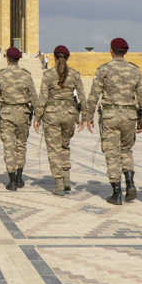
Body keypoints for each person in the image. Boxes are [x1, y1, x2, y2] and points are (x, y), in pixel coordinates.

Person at [85, 38, 142, 205]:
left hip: (110, 116)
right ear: (125, 52)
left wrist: (88, 116)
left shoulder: (104, 70)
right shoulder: (135, 70)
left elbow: (93, 95)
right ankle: (130, 183)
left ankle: (116, 193)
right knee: (126, 150)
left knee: (112, 154)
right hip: (129, 116)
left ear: (111, 50)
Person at [34, 45, 87, 196]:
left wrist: (37, 117)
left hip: (52, 114)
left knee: (54, 149)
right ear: (67, 58)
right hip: (70, 114)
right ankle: (67, 180)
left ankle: (59, 184)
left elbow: (43, 98)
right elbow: (82, 97)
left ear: (55, 58)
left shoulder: (48, 74)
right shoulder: (75, 75)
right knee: (64, 146)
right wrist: (85, 117)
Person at [0, 47, 37, 191]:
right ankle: (20, 177)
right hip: (23, 113)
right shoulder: (26, 75)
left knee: (9, 147)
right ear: (19, 59)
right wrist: (38, 117)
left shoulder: (0, 75)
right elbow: (34, 97)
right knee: (21, 145)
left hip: (7, 114)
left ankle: (12, 181)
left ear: (7, 59)